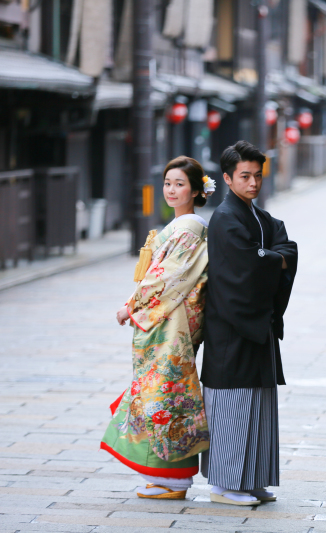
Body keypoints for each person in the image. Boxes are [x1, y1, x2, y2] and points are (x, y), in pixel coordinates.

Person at [100, 156, 216, 499]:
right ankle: (168, 476)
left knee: (165, 395)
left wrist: (131, 306)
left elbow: (167, 277)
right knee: (162, 394)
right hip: (169, 320)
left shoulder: (189, 227)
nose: (172, 190)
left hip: (171, 323)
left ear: (196, 190)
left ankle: (176, 480)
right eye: (168, 183)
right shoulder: (182, 225)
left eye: (180, 184)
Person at [201, 140, 298, 506]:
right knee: (232, 406)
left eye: (258, 176)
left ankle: (251, 479)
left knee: (257, 406)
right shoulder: (225, 218)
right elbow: (249, 268)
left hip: (256, 325)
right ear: (227, 178)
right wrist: (276, 258)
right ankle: (223, 486)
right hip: (232, 326)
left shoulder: (255, 215)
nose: (253, 183)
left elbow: (285, 245)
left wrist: (274, 257)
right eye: (245, 176)